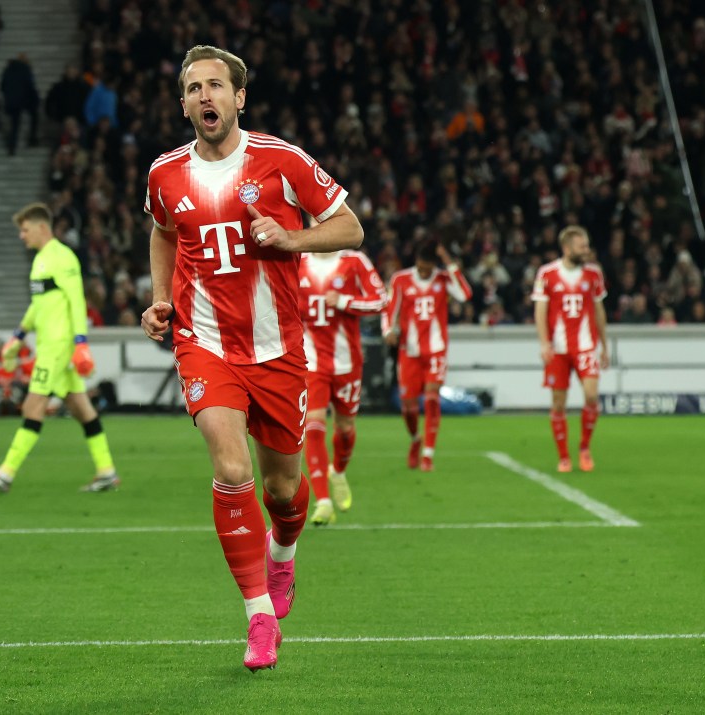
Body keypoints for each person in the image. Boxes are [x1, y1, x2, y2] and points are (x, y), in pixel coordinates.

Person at [140, 45, 363, 671]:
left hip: (278, 350)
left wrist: (293, 237)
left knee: (284, 490)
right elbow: (162, 231)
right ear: (183, 103)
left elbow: (350, 227)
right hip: (204, 342)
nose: (204, 96)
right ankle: (259, 617)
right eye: (193, 88)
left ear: (240, 98)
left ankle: (284, 554)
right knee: (231, 467)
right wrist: (161, 299)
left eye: (216, 86)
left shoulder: (281, 160)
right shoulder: (164, 174)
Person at [0, 203, 119, 493]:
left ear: (41, 228)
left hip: (59, 347)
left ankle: (5, 473)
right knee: (81, 408)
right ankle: (106, 471)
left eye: (24, 230)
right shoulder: (40, 261)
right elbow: (39, 306)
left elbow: (77, 300)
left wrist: (80, 342)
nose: (21, 236)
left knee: (33, 405)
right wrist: (19, 334)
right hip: (50, 345)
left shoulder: (62, 258)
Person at [298, 249, 388, 525]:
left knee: (346, 429)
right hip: (310, 361)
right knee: (312, 426)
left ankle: (337, 471)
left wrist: (345, 301)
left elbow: (380, 301)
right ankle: (323, 501)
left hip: (347, 361)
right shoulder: (297, 260)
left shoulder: (354, 261)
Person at [382, 240, 473, 472]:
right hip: (409, 352)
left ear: (434, 265)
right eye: (421, 267)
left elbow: (464, 294)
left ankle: (428, 455)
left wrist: (449, 263)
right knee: (408, 406)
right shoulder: (401, 279)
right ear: (416, 262)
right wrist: (388, 331)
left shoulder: (443, 279)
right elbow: (390, 308)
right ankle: (415, 439)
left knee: (432, 397)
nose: (423, 272)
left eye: (428, 268)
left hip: (436, 350)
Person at [532, 225, 609, 473]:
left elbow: (599, 310)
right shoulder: (547, 273)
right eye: (582, 246)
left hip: (586, 346)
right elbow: (540, 311)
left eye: (587, 245)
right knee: (558, 402)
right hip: (558, 348)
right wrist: (544, 343)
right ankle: (564, 456)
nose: (586, 250)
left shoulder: (593, 274)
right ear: (567, 248)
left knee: (591, 396)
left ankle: (584, 448)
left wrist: (605, 345)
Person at [0, 53, 39, 155]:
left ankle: (12, 147)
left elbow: (2, 86)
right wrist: (35, 99)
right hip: (24, 100)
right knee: (34, 115)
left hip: (12, 101)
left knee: (14, 125)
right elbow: (30, 85)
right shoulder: (26, 69)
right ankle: (32, 139)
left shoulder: (8, 69)